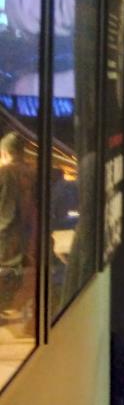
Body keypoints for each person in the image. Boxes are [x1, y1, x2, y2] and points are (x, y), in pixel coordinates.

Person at [0, 132, 35, 318]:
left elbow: (5, 213)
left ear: (5, 153)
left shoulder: (5, 173)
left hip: (6, 237)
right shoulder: (33, 172)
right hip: (27, 237)